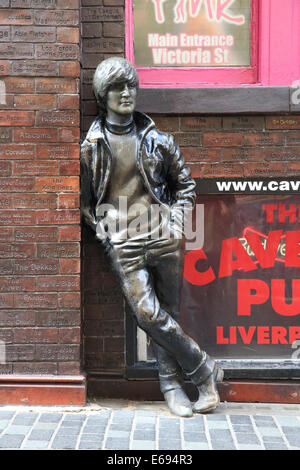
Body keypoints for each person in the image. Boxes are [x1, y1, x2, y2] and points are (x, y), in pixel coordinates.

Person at [80, 57, 223, 417]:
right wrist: (106, 234)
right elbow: (84, 203)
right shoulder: (92, 147)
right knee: (148, 314)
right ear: (103, 95)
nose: (126, 93)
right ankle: (203, 368)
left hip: (163, 236)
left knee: (168, 313)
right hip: (124, 241)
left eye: (130, 86)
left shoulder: (159, 141)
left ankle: (173, 387)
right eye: (116, 88)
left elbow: (185, 187)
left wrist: (175, 225)